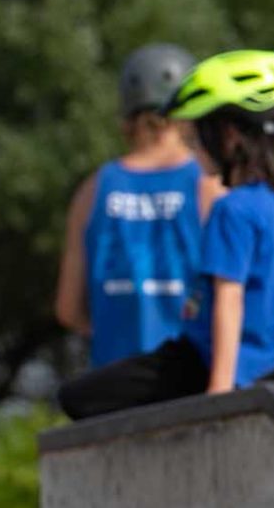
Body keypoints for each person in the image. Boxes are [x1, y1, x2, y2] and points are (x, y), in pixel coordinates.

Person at [57, 50, 274, 418]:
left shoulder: (95, 190)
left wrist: (220, 391)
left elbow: (229, 297)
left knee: (76, 399)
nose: (192, 148)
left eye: (197, 136)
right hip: (266, 368)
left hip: (196, 365)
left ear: (226, 135)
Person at [54, 43, 219, 365]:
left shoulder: (93, 189)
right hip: (188, 382)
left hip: (114, 383)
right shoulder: (208, 184)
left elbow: (67, 309)